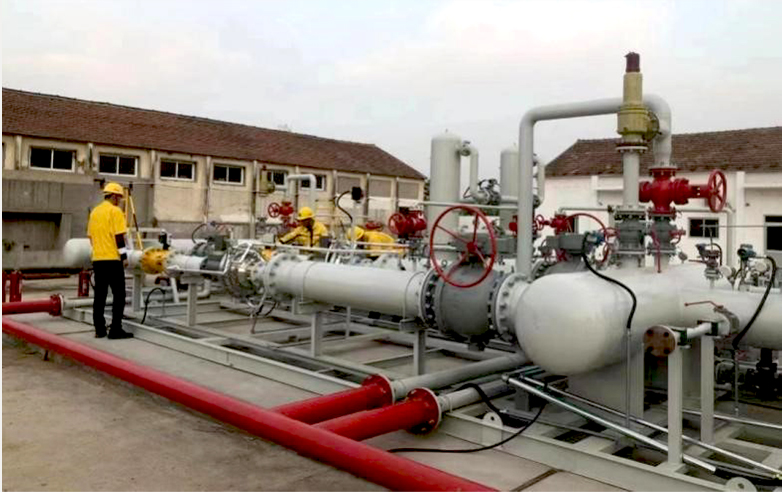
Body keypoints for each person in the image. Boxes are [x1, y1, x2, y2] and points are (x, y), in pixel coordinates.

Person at [87, 182, 134, 339]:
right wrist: (124, 257)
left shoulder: (95, 212)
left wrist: (99, 250)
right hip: (113, 260)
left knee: (100, 295)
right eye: (119, 197)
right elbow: (119, 236)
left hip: (98, 259)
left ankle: (99, 329)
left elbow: (91, 237)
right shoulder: (115, 212)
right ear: (114, 196)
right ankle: (115, 329)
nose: (120, 200)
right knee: (119, 294)